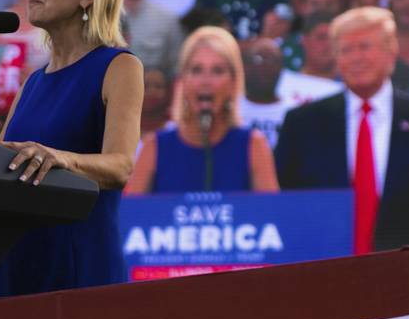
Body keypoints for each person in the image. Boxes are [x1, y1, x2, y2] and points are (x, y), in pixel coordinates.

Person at [0, 0, 144, 298]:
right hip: (16, 267)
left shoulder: (119, 66)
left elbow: (121, 165)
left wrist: (60, 159)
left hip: (80, 270)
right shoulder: (32, 84)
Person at [276, 7, 409, 252]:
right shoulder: (302, 123)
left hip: (405, 273)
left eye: (365, 46)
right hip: (324, 272)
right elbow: (288, 205)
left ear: (391, 52)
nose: (356, 58)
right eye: (346, 50)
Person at [124, 26, 279, 193]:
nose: (206, 81)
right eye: (196, 70)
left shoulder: (254, 145)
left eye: (217, 71)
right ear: (182, 81)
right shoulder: (154, 147)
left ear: (233, 82)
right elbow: (131, 216)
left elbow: (272, 215)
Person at [276, 11, 344, 107]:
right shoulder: (283, 82)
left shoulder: (351, 87)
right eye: (321, 37)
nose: (328, 45)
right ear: (304, 41)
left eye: (333, 39)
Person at [239, 37, 288, 149]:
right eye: (259, 59)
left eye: (273, 60)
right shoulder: (231, 111)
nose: (266, 66)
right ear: (245, 67)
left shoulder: (293, 112)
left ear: (281, 68)